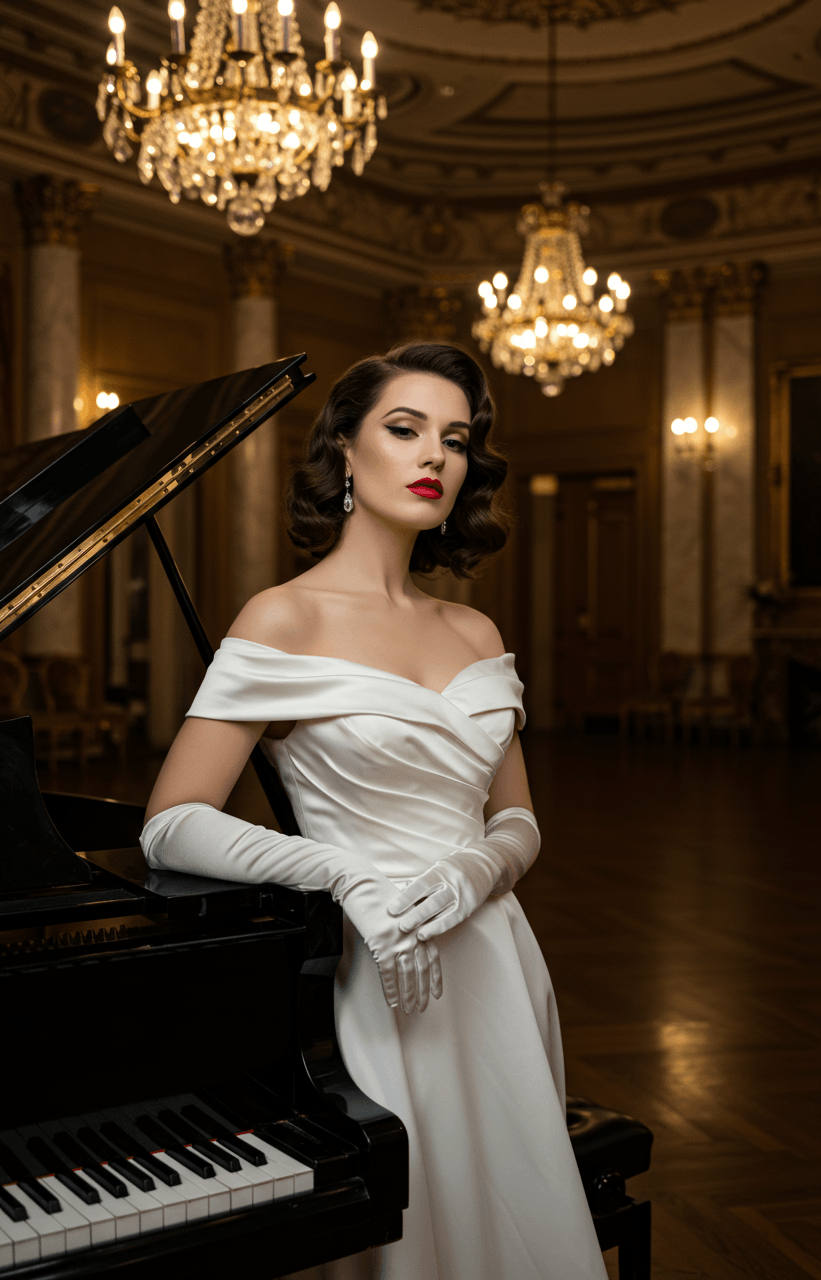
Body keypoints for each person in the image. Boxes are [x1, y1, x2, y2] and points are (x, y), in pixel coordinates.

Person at [140, 342, 607, 1280]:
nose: (435, 455)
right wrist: (341, 871)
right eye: (405, 429)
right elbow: (171, 820)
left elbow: (517, 819)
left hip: (498, 968)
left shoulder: (474, 629)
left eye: (457, 440)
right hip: (374, 969)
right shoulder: (283, 619)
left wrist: (483, 864)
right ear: (346, 451)